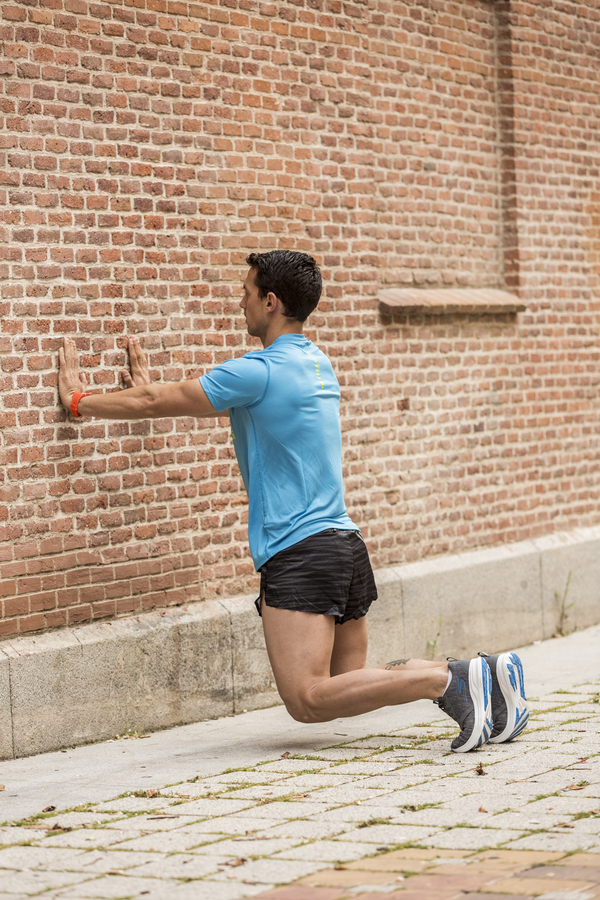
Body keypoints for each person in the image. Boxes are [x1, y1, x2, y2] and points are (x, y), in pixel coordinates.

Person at [58, 250, 528, 752]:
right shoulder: (316, 363)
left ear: (271, 301)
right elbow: (228, 409)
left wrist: (79, 401)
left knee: (306, 699)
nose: (241, 303)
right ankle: (485, 682)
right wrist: (153, 392)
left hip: (300, 553)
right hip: (345, 547)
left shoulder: (256, 370)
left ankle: (448, 680)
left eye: (246, 293)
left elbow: (160, 400)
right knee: (350, 681)